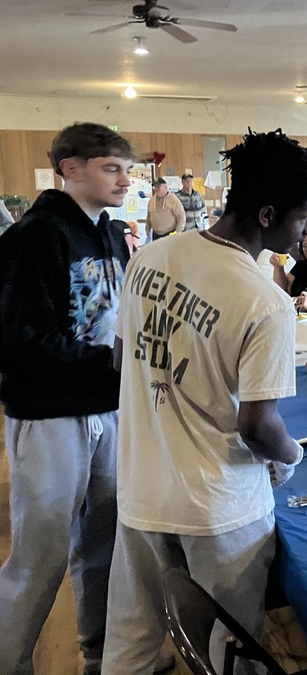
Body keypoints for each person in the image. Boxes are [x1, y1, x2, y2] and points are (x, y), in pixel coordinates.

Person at [100, 129, 307, 674]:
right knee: (228, 653)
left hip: (141, 485)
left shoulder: (150, 259)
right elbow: (258, 427)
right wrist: (292, 455)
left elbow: (119, 360)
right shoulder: (264, 301)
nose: (306, 233)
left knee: (129, 641)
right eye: (302, 218)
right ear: (269, 214)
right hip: (219, 509)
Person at [0, 122, 134, 675]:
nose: (125, 180)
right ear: (70, 168)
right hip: (51, 412)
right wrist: (107, 360)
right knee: (41, 551)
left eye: (128, 170)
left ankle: (100, 653)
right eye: (112, 168)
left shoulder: (106, 231)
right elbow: (17, 336)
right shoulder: (34, 236)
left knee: (103, 539)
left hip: (106, 405)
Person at [145, 177, 185, 241]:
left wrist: (178, 232)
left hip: (170, 234)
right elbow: (148, 217)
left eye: (158, 186)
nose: (156, 189)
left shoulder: (173, 199)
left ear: (165, 187)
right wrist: (147, 229)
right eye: (155, 187)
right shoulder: (151, 200)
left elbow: (181, 216)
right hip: (156, 235)